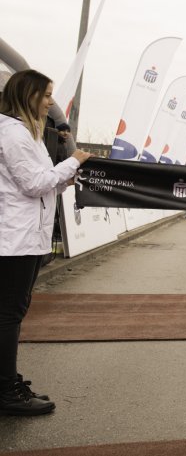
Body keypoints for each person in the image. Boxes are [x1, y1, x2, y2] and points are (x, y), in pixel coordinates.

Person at [0, 70, 92, 416]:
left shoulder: (29, 134)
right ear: (29, 95)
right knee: (9, 315)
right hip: (14, 239)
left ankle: (8, 383)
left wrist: (64, 181)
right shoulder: (13, 134)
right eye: (47, 95)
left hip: (26, 237)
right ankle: (7, 391)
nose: (51, 103)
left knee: (11, 313)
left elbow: (42, 183)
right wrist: (73, 160)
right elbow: (33, 183)